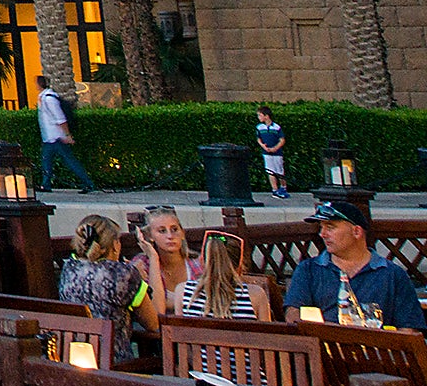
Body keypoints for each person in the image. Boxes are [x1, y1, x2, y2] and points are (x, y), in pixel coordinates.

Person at [283, 199, 426, 329]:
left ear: (356, 231)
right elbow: (293, 315)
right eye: (321, 227)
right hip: (323, 352)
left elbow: (409, 328)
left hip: (377, 353)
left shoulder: (392, 274)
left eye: (330, 227)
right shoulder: (309, 269)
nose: (322, 234)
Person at [58, 214, 158, 362]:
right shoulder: (122, 273)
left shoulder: (69, 268)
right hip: (114, 362)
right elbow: (152, 323)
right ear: (114, 245)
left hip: (76, 357)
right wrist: (140, 279)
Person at [176, 230, 267, 321]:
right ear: (240, 264)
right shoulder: (256, 295)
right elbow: (268, 334)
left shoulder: (183, 292)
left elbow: (178, 333)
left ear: (202, 261)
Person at [35, 74, 96, 193]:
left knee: (69, 161)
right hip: (50, 137)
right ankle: (46, 184)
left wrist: (67, 135)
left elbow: (60, 118)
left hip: (56, 137)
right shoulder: (45, 97)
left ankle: (88, 183)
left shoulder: (49, 99)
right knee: (46, 161)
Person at [140, 205, 199, 314]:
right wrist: (153, 259)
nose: (170, 236)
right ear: (150, 236)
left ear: (182, 233)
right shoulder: (142, 266)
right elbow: (157, 312)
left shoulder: (198, 264)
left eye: (174, 229)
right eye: (162, 231)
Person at [255, 106, 288, 200]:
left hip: (277, 153)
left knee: (279, 171)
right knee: (270, 171)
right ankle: (274, 189)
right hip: (266, 152)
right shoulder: (259, 127)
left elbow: (282, 140)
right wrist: (263, 146)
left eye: (260, 115)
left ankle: (283, 187)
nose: (259, 117)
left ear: (266, 116)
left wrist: (275, 148)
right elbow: (259, 139)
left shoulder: (277, 127)